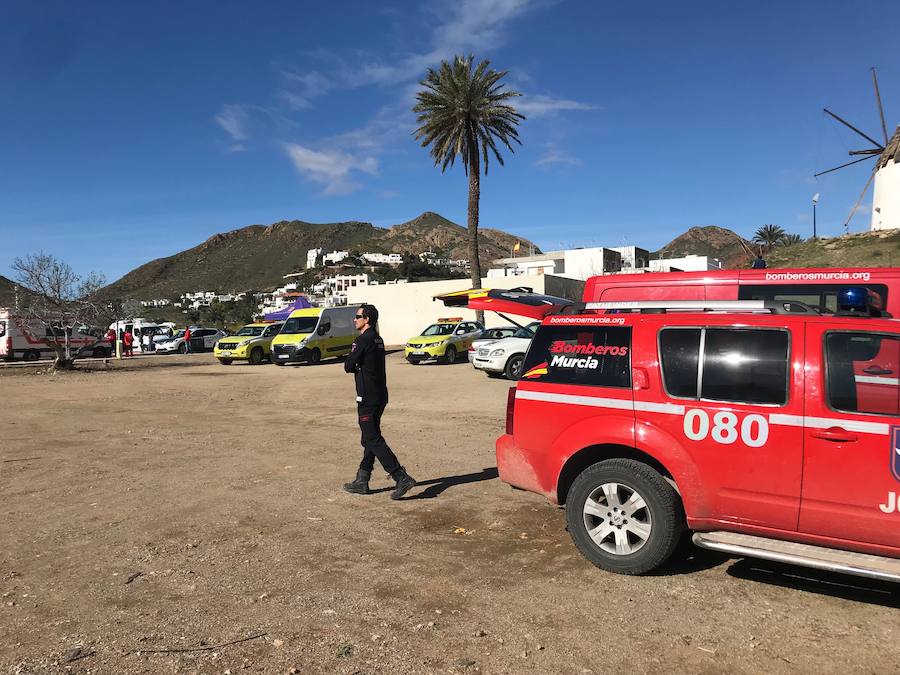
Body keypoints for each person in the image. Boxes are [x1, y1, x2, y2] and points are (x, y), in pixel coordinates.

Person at [342, 304, 416, 500]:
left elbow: (348, 365)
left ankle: (401, 477)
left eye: (357, 316)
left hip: (367, 397)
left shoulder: (363, 340)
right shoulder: (378, 339)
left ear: (367, 319)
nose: (354, 319)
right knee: (370, 437)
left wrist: (354, 363)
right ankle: (362, 479)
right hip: (379, 395)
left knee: (371, 438)